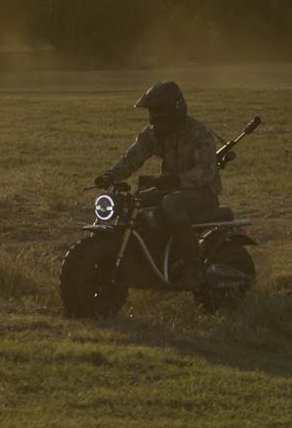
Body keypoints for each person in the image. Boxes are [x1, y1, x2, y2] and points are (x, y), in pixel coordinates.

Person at [94, 81, 220, 288]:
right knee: (134, 202)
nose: (155, 116)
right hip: (170, 189)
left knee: (171, 204)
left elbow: (207, 172)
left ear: (176, 108)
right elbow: (131, 159)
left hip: (202, 194)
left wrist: (177, 180)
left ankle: (190, 266)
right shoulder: (153, 133)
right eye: (152, 111)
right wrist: (110, 176)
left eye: (160, 110)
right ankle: (142, 259)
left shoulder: (199, 134)